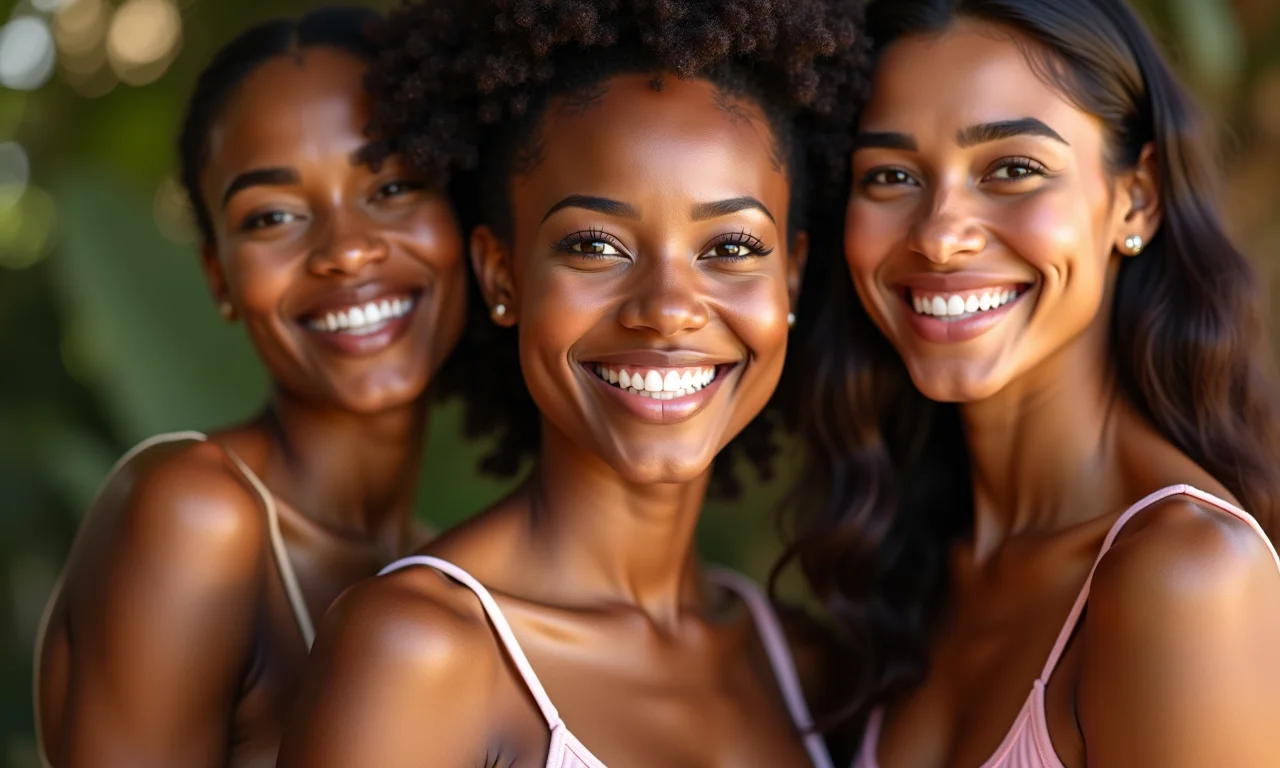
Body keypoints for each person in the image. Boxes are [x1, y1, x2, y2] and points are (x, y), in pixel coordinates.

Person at [276, 1, 867, 766]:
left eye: (729, 246)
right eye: (596, 245)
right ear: (503, 272)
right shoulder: (423, 651)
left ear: (789, 277)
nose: (665, 312)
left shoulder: (806, 665)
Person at [786, 0, 1280, 766]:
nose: (941, 234)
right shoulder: (911, 569)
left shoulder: (1188, 578)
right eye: (889, 175)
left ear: (1135, 197)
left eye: (1013, 169)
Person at [33, 8, 477, 766]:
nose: (346, 249)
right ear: (220, 279)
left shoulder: (442, 566)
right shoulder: (198, 518)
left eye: (395, 184)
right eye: (272, 215)